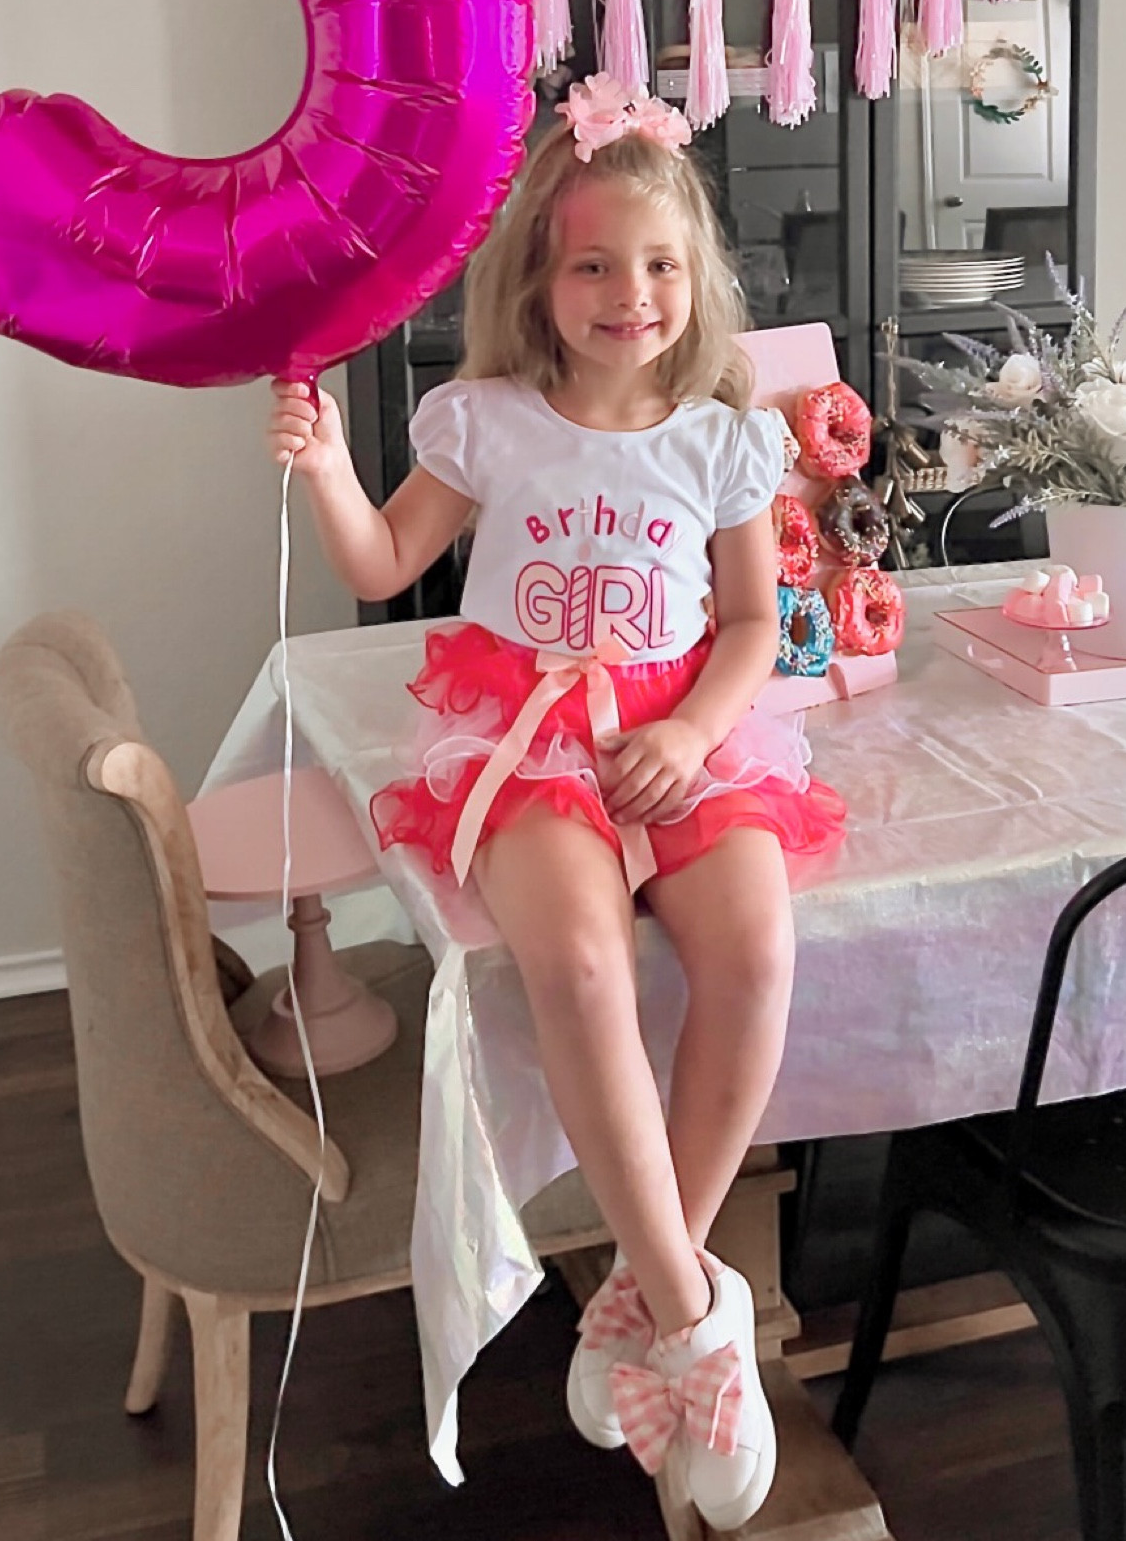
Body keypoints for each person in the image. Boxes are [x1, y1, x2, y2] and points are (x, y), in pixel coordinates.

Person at [268, 75, 844, 1529]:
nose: (627, 292)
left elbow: (748, 626)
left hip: (672, 733)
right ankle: (704, 1319)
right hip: (526, 733)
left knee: (755, 949)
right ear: (540, 273)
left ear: (693, 278)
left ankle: (645, 1289)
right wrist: (329, 469)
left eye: (656, 265)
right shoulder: (487, 420)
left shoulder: (723, 436)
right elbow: (388, 561)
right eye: (592, 261)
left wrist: (702, 728)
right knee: (578, 957)